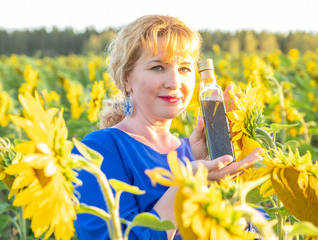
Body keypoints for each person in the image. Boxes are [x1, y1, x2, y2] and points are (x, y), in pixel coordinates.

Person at [73, 14, 263, 240]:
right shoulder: (100, 149)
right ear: (126, 79)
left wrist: (236, 212)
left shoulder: (196, 153)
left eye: (184, 68)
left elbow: (264, 228)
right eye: (157, 67)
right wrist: (186, 185)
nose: (174, 83)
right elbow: (112, 236)